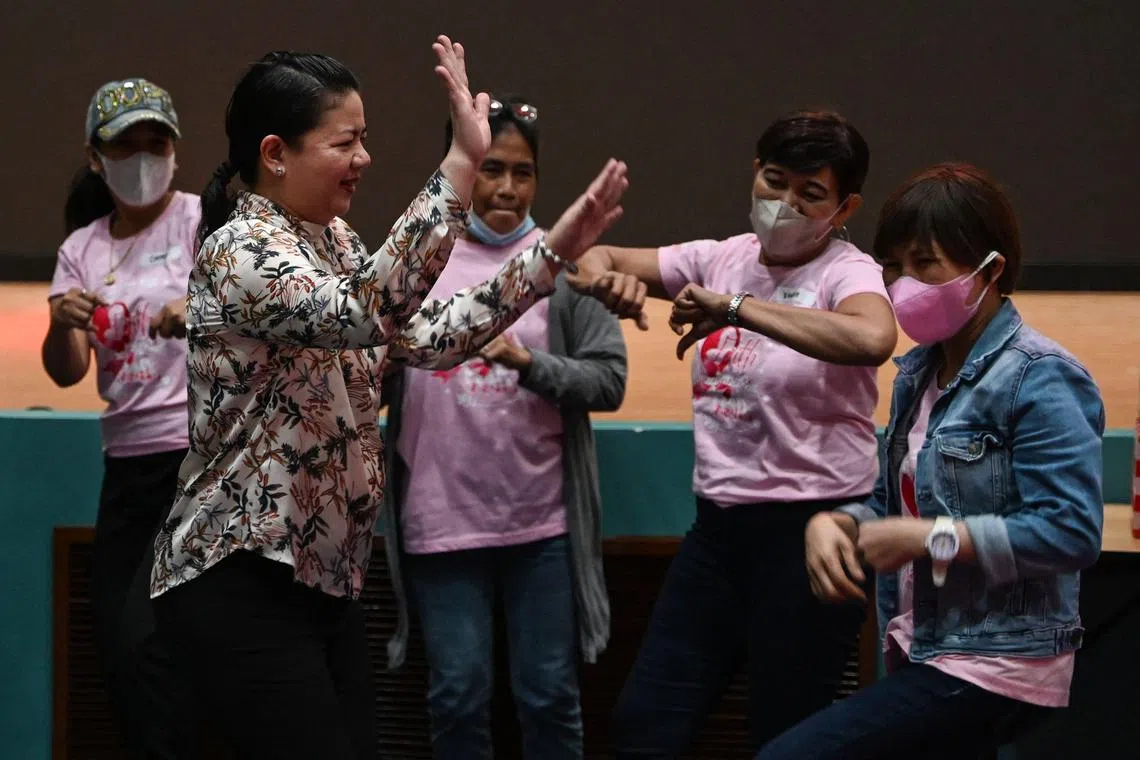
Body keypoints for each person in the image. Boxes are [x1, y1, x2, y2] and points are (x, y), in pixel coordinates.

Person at [150, 39, 629, 760]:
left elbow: (428, 335)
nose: (364, 157)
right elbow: (370, 311)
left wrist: (550, 254)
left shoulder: (333, 240)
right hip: (241, 576)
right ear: (276, 153)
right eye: (346, 141)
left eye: (364, 139)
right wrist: (460, 164)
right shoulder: (240, 248)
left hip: (320, 578)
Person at [568, 110, 898, 755]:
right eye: (775, 181)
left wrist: (736, 308)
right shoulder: (719, 257)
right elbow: (590, 257)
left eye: (811, 193)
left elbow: (872, 337)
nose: (786, 203)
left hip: (813, 536)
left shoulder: (845, 272)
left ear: (845, 205)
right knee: (645, 726)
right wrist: (607, 278)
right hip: (718, 535)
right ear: (754, 173)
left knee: (786, 736)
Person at [754, 163, 1105, 759]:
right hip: (923, 645)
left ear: (989, 271)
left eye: (926, 264)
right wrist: (838, 522)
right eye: (893, 266)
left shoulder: (1040, 377)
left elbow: (1070, 531)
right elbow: (898, 510)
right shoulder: (917, 374)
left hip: (997, 659)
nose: (904, 283)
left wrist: (933, 538)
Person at [381, 94, 627, 759]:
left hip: (540, 527)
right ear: (463, 171)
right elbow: (369, 368)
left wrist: (530, 363)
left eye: (523, 172)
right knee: (457, 695)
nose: (508, 188)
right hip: (439, 521)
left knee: (548, 695)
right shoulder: (413, 266)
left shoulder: (565, 263)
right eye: (491, 169)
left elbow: (608, 380)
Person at [44, 77, 198, 759]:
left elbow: (253, 312)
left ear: (176, 150)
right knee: (119, 640)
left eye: (154, 142)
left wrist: (204, 315)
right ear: (94, 157)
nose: (141, 157)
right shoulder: (83, 250)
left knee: (169, 639)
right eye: (123, 145)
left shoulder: (205, 219)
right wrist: (60, 323)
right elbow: (67, 369)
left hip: (199, 459)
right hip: (126, 467)